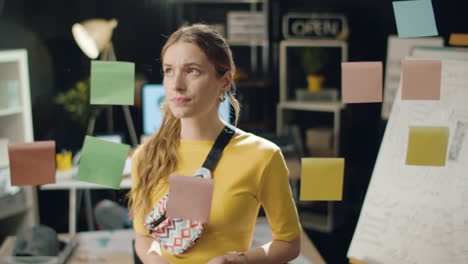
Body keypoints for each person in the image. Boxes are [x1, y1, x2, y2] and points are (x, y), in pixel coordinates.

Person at [128, 23, 301, 264]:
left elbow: (289, 243)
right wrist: (155, 260)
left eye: (192, 71)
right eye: (169, 70)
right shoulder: (145, 155)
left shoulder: (263, 156)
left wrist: (238, 260)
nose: (176, 84)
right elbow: (143, 237)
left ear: (224, 81)